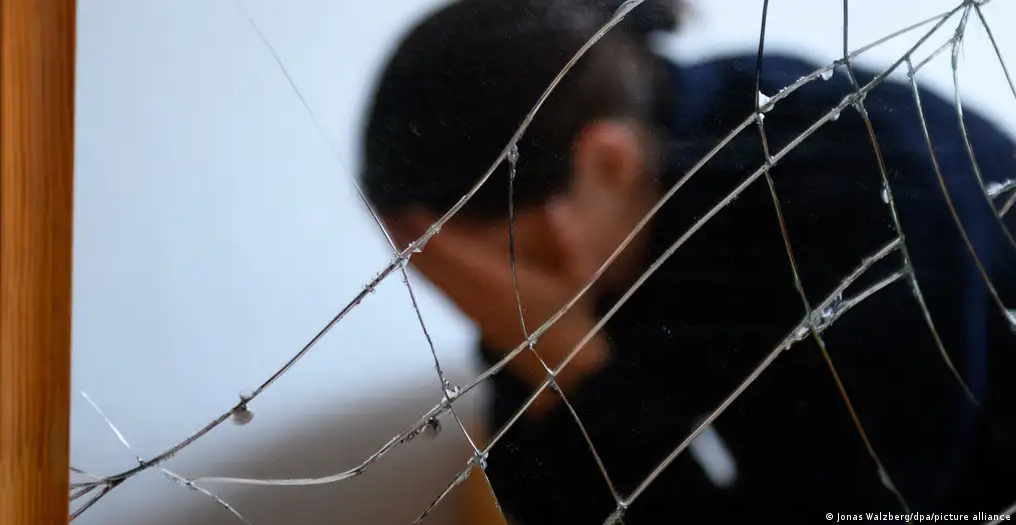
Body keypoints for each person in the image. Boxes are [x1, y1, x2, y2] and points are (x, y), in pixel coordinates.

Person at [358, 0, 1016, 522]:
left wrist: (573, 366)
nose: (498, 293)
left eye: (506, 260)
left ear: (608, 160)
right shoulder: (588, 204)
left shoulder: (851, 190)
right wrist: (552, 365)